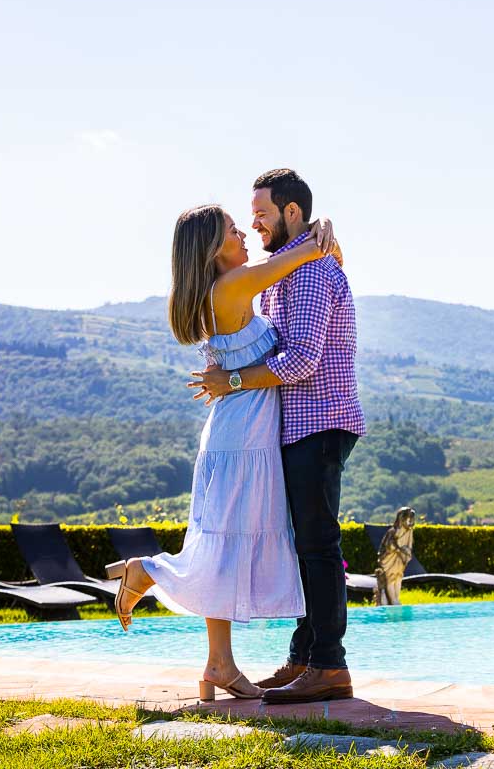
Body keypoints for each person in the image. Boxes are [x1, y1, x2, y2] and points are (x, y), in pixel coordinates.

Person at [108, 203, 339, 702]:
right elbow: (297, 256)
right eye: (235, 230)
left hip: (241, 433)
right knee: (225, 543)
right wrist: (321, 231)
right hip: (243, 439)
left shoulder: (226, 291)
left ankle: (219, 664)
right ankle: (147, 571)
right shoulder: (231, 287)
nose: (244, 233)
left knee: (226, 545)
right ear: (214, 250)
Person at [191, 168, 366, 705]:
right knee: (305, 544)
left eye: (262, 214)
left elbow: (302, 361)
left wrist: (233, 380)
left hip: (320, 417)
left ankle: (328, 665)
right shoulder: (285, 272)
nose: (254, 224)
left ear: (293, 213)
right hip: (294, 426)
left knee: (317, 544)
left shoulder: (310, 273)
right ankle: (304, 655)